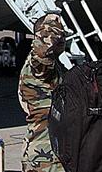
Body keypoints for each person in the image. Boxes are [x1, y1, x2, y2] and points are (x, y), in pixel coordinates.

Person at [19, 12, 66, 172]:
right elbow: (42, 52)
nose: (62, 40)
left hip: (54, 151)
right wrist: (50, 23)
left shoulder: (54, 66)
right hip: (45, 156)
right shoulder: (38, 66)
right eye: (59, 36)